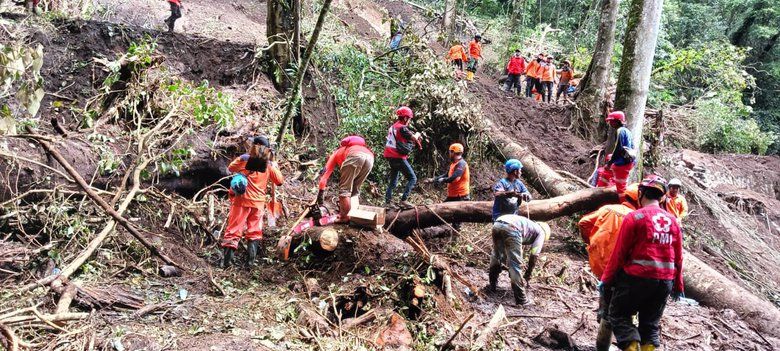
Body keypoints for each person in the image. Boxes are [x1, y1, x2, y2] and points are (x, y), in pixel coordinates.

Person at [601, 175, 684, 351]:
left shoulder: (634, 217)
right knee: (650, 325)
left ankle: (631, 345)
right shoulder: (673, 222)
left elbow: (619, 254)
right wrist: (678, 285)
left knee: (618, 315)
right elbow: (678, 258)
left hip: (636, 279)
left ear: (641, 193)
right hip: (664, 283)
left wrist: (606, 279)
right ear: (662, 197)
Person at [578, 184, 640, 351]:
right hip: (623, 270)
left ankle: (603, 339)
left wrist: (591, 242)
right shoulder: (637, 217)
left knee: (606, 301)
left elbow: (583, 223)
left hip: (602, 266)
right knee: (619, 309)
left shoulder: (607, 209)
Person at [222, 136, 284, 268]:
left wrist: (243, 162)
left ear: (253, 146)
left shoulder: (245, 159)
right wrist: (273, 166)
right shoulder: (268, 165)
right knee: (255, 231)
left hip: (241, 200)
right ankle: (249, 264)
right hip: (258, 204)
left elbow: (231, 168)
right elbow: (279, 181)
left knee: (233, 230)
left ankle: (226, 264)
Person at [487, 214, 551, 305]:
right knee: (514, 264)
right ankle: (521, 299)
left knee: (497, 256)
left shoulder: (531, 225)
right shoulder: (541, 233)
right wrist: (529, 272)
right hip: (512, 228)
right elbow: (534, 254)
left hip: (497, 224)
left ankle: (492, 286)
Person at [318, 135, 375, 223]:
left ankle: (344, 218)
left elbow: (324, 176)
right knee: (355, 190)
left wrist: (320, 199)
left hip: (354, 156)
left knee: (344, 190)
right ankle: (354, 217)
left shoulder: (336, 153)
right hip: (370, 157)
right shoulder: (355, 148)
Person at [384, 106, 421, 209]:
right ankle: (404, 200)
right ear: (405, 118)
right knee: (412, 178)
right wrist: (418, 134)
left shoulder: (393, 127)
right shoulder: (402, 128)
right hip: (398, 157)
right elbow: (413, 138)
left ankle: (388, 202)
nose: (409, 121)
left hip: (390, 156)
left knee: (393, 181)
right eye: (409, 119)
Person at [605, 111, 635, 195]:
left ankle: (624, 204)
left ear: (617, 121)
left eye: (612, 121)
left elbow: (618, 148)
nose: (610, 123)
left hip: (622, 163)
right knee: (621, 184)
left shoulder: (620, 131)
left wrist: (610, 163)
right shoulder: (627, 131)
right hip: (628, 161)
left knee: (621, 188)